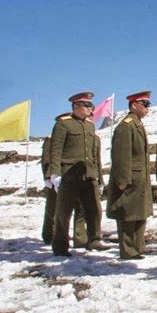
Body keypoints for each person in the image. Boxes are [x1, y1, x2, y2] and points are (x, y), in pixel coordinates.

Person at [49, 92, 108, 256]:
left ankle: (94, 240)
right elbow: (56, 150)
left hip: (88, 175)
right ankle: (60, 246)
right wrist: (55, 173)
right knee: (64, 212)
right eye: (87, 105)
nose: (91, 109)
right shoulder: (63, 124)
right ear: (76, 106)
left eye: (92, 106)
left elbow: (94, 155)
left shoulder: (90, 125)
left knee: (94, 209)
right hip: (69, 174)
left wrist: (99, 177)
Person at [106, 91, 153, 260]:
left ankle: (138, 247)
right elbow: (121, 155)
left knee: (140, 213)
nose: (148, 107)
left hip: (140, 178)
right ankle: (128, 250)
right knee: (127, 214)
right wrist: (123, 179)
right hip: (130, 178)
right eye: (145, 104)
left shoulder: (137, 124)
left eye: (149, 104)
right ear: (134, 105)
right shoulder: (126, 125)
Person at [41, 124, 87, 246]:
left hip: (69, 177)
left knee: (76, 208)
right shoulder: (52, 139)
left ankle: (76, 236)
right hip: (55, 177)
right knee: (52, 208)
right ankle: (49, 234)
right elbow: (47, 158)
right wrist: (48, 176)